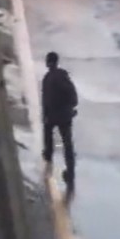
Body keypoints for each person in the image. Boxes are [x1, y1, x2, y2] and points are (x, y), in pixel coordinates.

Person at [41, 51, 79, 185]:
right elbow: (72, 94)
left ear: (48, 63)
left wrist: (45, 116)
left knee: (48, 134)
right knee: (67, 142)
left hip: (52, 115)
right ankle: (70, 170)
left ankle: (48, 156)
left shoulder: (47, 78)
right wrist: (71, 108)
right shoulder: (63, 76)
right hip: (65, 115)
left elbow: (45, 101)